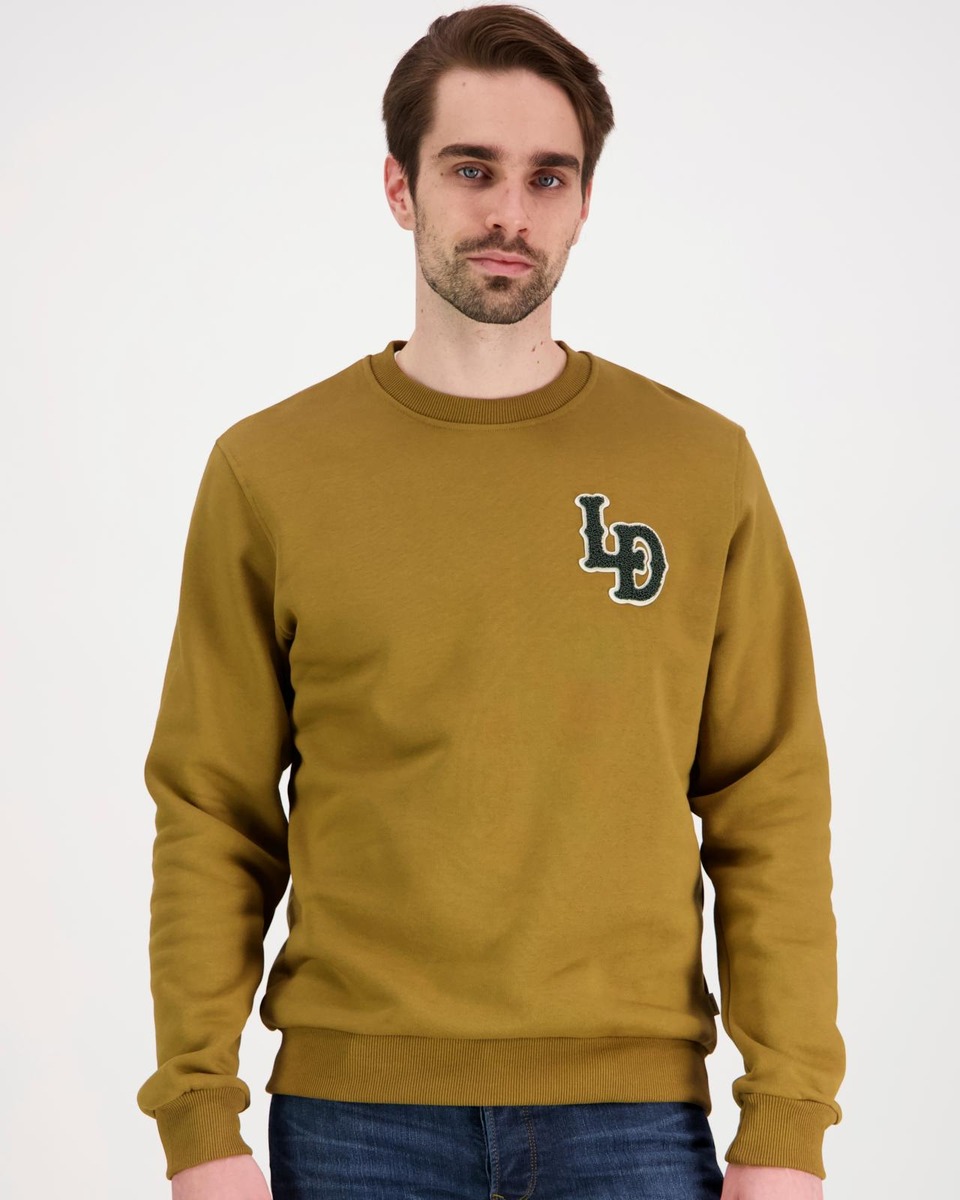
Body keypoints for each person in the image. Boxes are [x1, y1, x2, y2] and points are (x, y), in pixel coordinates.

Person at [137, 6, 845, 1199]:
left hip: (630, 1120)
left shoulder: (700, 465)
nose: (511, 211)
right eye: (472, 170)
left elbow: (768, 801)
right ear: (400, 187)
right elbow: (212, 807)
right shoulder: (271, 470)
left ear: (582, 203)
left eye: (546, 177)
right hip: (357, 1122)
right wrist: (198, 1119)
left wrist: (789, 1126)